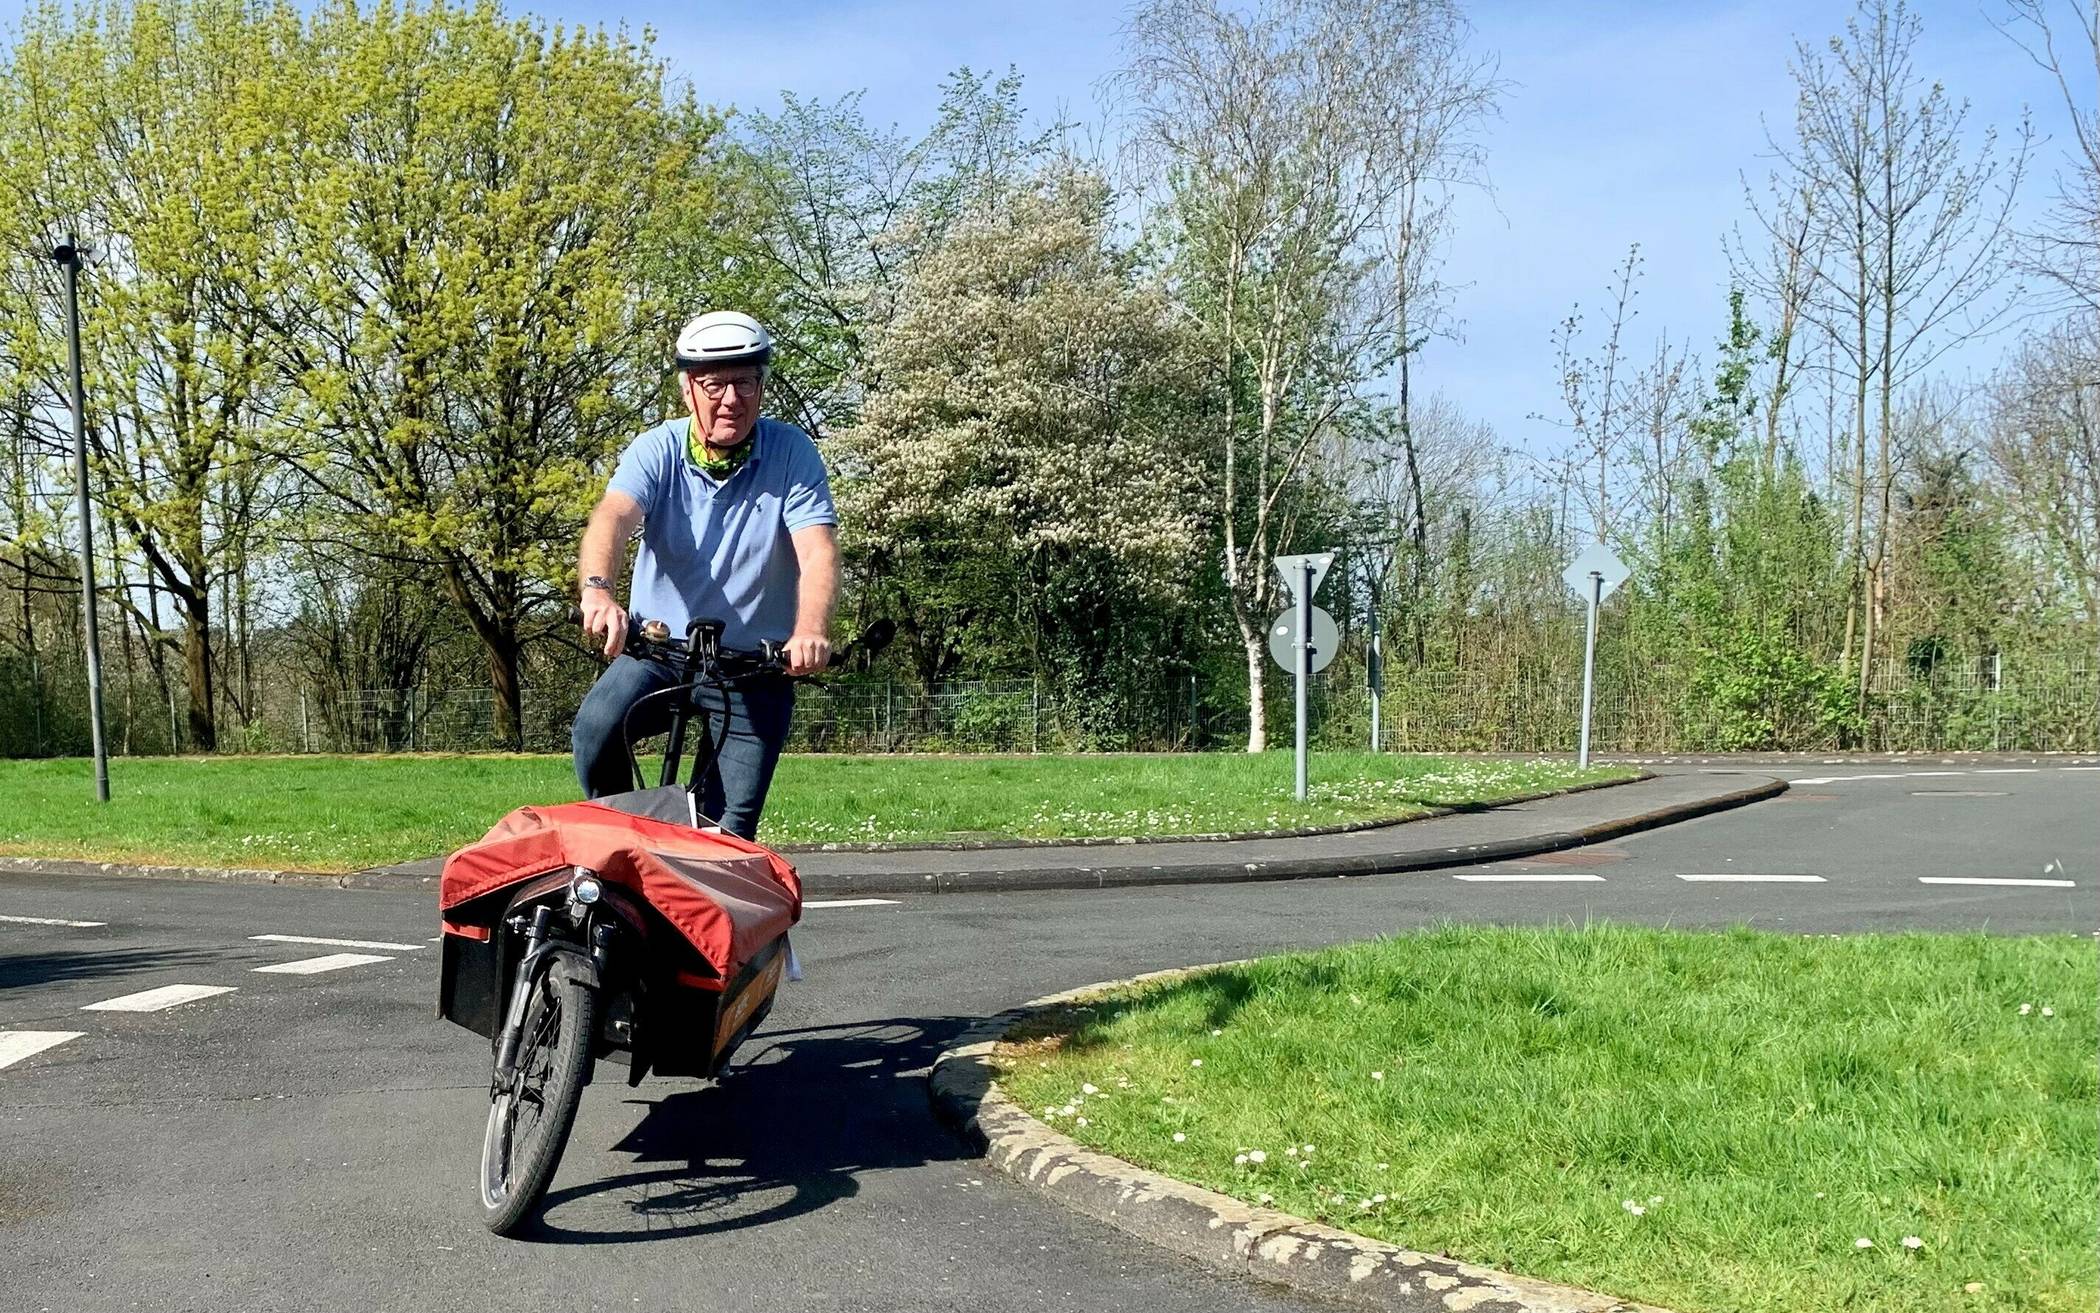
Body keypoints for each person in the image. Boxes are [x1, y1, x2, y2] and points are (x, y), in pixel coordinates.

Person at [571, 311, 839, 838]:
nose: (732, 400)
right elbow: (613, 518)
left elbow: (818, 552)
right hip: (660, 653)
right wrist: (598, 592)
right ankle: (626, 838)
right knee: (597, 731)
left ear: (762, 386)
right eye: (715, 384)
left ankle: (705, 879)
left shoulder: (791, 453)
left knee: (726, 832)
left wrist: (810, 631)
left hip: (751, 666)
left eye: (745, 382)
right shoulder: (657, 450)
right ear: (687, 389)